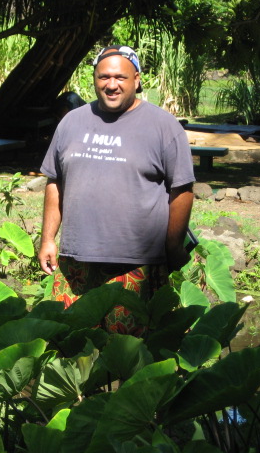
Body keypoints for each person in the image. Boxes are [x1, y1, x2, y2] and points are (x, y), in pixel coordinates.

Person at [37, 45, 195, 335]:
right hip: (76, 262)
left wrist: (172, 246)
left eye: (120, 78)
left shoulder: (163, 127)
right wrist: (47, 239)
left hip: (136, 264)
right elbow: (54, 182)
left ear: (136, 79)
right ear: (95, 79)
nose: (111, 85)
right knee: (71, 347)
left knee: (130, 356)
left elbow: (182, 190)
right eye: (103, 77)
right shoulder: (72, 122)